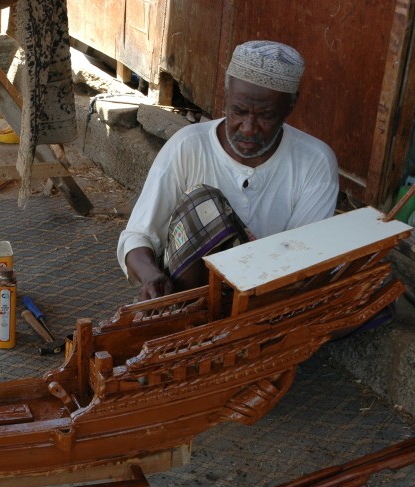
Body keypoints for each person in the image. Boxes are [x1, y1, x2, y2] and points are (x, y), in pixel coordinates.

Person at [117, 40, 340, 300]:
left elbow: (304, 259)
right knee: (202, 202)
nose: (248, 128)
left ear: (290, 107)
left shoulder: (315, 162)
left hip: (266, 298)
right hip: (186, 296)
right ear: (226, 98)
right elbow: (138, 236)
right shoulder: (188, 146)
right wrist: (150, 276)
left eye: (265, 116)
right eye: (239, 111)